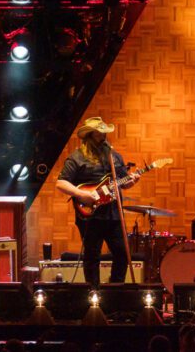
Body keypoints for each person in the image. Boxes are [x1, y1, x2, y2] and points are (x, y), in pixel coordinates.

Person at [55, 116, 137, 285]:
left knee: (122, 253)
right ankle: (94, 293)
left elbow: (123, 182)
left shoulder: (115, 157)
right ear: (89, 136)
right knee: (92, 256)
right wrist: (81, 194)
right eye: (100, 133)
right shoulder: (76, 158)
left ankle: (115, 290)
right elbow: (61, 183)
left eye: (104, 133)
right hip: (90, 215)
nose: (104, 136)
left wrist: (132, 181)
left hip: (114, 215)